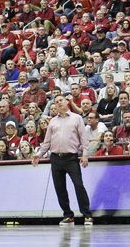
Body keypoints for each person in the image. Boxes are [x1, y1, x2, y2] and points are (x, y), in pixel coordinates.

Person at [31, 94, 93, 226]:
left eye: (61, 100)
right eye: (56, 102)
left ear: (67, 102)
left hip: (71, 158)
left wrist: (85, 154)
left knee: (78, 185)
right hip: (55, 159)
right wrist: (39, 154)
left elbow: (83, 138)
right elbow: (47, 142)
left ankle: (87, 215)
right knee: (60, 188)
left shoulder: (77, 118)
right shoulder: (53, 121)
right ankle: (68, 215)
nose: (59, 103)